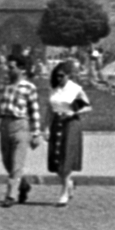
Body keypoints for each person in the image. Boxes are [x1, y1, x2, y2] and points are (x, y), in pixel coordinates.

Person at [0, 52, 42, 206]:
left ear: (21, 69)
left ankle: (10, 195)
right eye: (7, 67)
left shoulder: (29, 88)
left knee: (17, 162)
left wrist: (36, 133)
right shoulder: (2, 87)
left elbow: (34, 111)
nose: (8, 70)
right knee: (7, 162)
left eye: (11, 67)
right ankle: (23, 185)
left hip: (21, 125)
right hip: (4, 126)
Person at [45, 61, 90, 206]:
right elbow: (49, 109)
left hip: (70, 124)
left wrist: (73, 111)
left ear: (68, 75)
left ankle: (64, 192)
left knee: (66, 158)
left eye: (62, 76)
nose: (59, 79)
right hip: (56, 123)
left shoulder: (75, 89)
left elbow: (88, 106)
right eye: (57, 76)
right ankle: (69, 183)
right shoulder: (53, 89)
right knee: (55, 159)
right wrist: (45, 127)